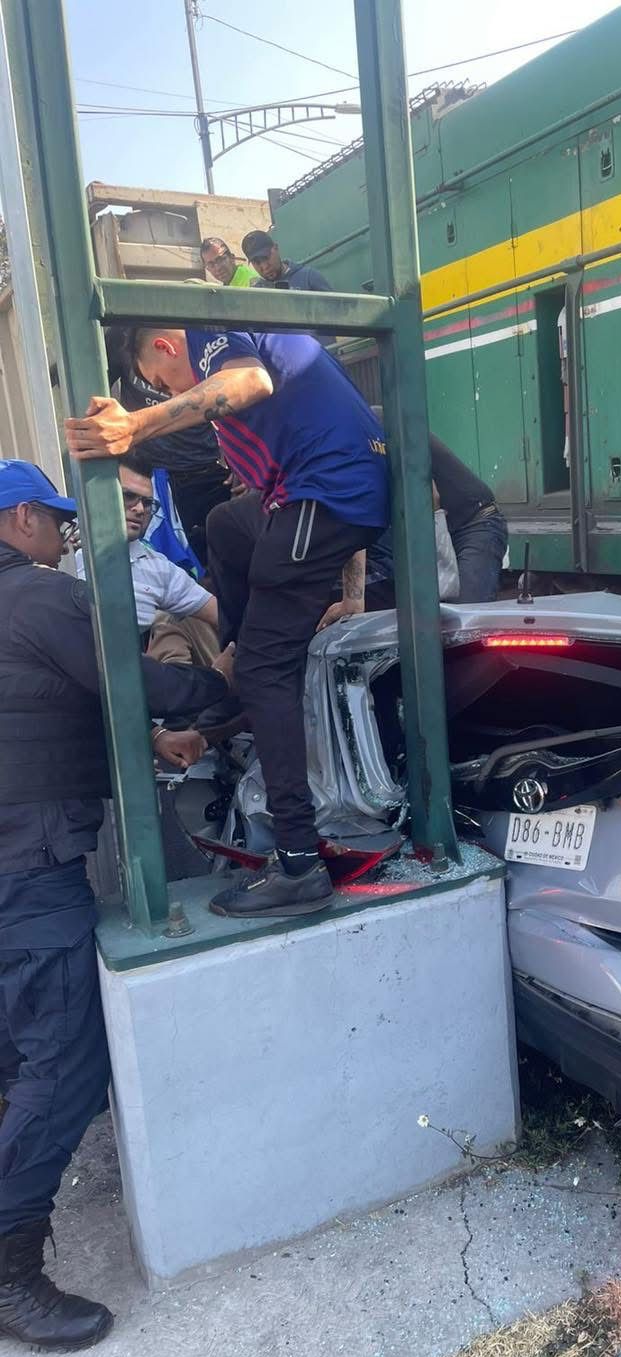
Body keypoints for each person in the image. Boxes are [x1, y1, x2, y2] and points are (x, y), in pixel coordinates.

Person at [0, 460, 228, 1351]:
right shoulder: (39, 596)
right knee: (61, 1063)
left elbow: (35, 701)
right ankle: (9, 1272)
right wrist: (240, 686)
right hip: (28, 865)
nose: (65, 534)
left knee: (18, 1053)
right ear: (19, 518)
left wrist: (146, 740)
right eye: (56, 518)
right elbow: (128, 679)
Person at [65, 326, 390, 920]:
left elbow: (247, 381)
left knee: (269, 671)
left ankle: (297, 861)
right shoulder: (274, 365)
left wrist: (135, 424)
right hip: (323, 498)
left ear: (166, 345)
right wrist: (351, 597)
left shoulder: (211, 332)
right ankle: (240, 654)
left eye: (162, 379)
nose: (169, 388)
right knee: (224, 523)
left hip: (319, 501)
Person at [322, 413, 507, 620]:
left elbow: (428, 496)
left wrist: (353, 601)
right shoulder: (348, 429)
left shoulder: (377, 427)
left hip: (472, 523)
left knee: (458, 623)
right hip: (422, 522)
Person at [74, 453, 219, 669]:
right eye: (128, 496)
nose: (140, 509)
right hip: (66, 678)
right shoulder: (61, 551)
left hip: (126, 682)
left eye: (148, 502)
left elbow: (218, 614)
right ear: (98, 494)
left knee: (176, 620)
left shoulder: (156, 566)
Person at [106, 327, 232, 568]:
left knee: (212, 559)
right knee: (151, 560)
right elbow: (91, 396)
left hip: (204, 471)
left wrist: (243, 459)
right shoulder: (122, 336)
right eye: (160, 384)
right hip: (145, 474)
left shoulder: (200, 335)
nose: (173, 393)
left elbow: (237, 391)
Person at [241, 230, 331, 291]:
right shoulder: (258, 291)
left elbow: (337, 312)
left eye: (266, 257)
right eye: (257, 262)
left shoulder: (308, 277)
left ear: (276, 248)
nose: (265, 267)